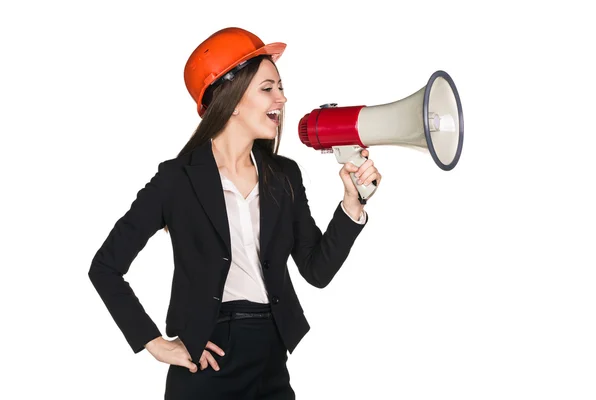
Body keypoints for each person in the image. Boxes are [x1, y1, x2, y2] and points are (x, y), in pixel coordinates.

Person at [88, 27, 382, 399]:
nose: (283, 97)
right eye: (268, 88)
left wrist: (352, 204)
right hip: (208, 362)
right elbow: (105, 267)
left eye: (280, 87)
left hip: (271, 359)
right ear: (232, 98)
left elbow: (316, 270)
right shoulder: (176, 180)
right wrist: (154, 342)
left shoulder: (283, 176)